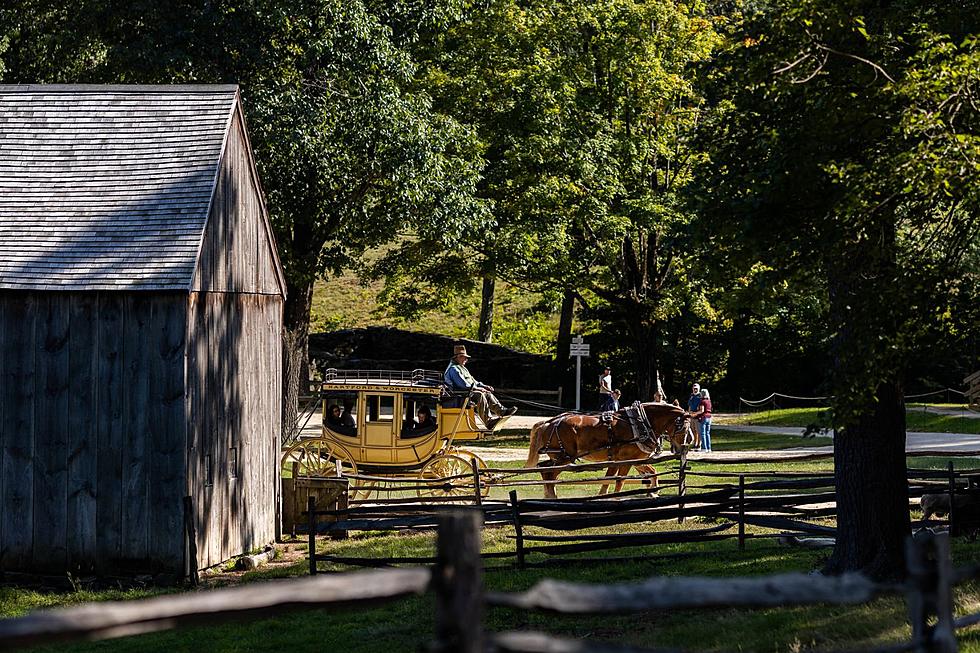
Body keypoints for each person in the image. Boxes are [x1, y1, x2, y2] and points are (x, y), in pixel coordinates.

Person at [444, 344, 516, 428]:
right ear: (458, 357)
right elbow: (464, 385)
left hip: (468, 393)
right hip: (459, 396)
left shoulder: (462, 368)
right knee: (480, 395)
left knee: (487, 393)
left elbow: (473, 381)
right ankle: (488, 421)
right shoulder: (454, 369)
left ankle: (502, 411)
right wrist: (479, 389)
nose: (466, 359)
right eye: (465, 357)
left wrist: (484, 386)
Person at [687, 383, 702, 450]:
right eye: (694, 388)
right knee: (693, 431)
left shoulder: (700, 396)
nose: (695, 390)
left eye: (696, 388)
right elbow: (689, 405)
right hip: (692, 415)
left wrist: (696, 413)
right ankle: (695, 444)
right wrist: (689, 413)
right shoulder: (691, 396)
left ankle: (699, 444)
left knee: (698, 431)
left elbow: (701, 406)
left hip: (697, 416)